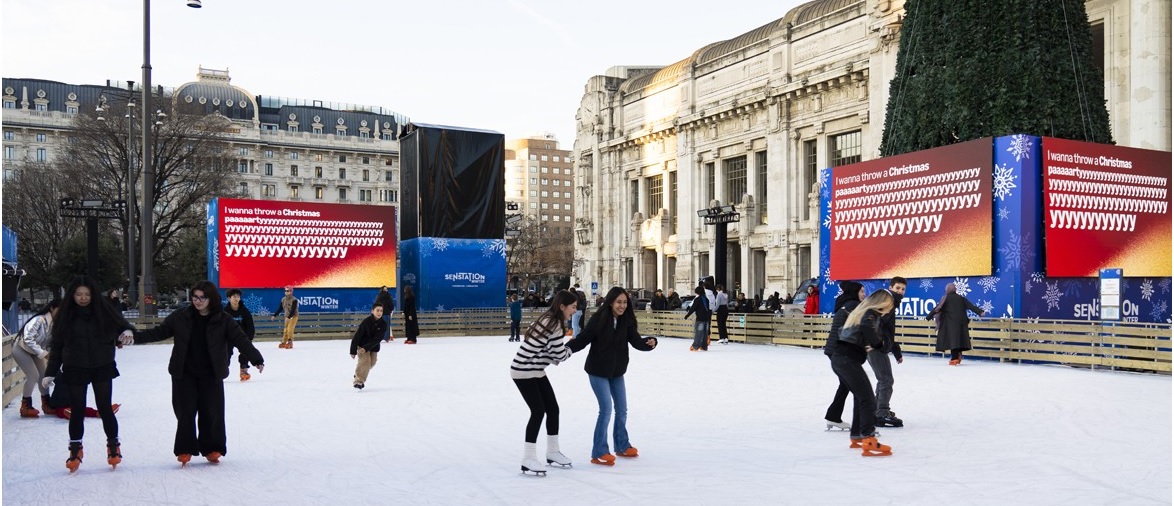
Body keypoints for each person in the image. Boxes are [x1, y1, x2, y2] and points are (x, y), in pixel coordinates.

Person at [133, 280, 265, 466]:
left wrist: (256, 358)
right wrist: (134, 337)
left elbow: (240, 339)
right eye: (195, 297)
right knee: (185, 412)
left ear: (211, 299)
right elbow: (159, 332)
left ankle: (212, 448)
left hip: (211, 373)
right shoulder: (181, 316)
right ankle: (185, 449)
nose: (198, 301)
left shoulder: (223, 319)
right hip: (184, 372)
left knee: (211, 412)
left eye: (203, 297)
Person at [43, 275, 135, 472]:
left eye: (87, 294)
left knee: (105, 408)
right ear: (72, 295)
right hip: (75, 367)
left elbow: (123, 324)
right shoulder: (65, 316)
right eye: (78, 294)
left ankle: (113, 446)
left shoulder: (104, 311)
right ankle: (75, 449)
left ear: (93, 295)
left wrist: (127, 332)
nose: (83, 298)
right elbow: (57, 346)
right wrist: (50, 372)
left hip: (102, 365)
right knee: (77, 409)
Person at [566, 286, 658, 466]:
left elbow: (636, 341)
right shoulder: (599, 319)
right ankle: (599, 451)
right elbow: (583, 339)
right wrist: (567, 349)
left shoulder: (627, 321)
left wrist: (649, 343)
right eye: (619, 302)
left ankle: (622, 445)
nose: (622, 306)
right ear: (610, 302)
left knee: (622, 409)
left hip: (617, 371)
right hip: (597, 370)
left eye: (625, 302)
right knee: (606, 409)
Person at [509, 290, 577, 476]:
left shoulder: (549, 318)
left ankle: (553, 451)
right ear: (562, 306)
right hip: (524, 371)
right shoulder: (554, 324)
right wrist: (572, 347)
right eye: (573, 307)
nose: (574, 310)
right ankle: (528, 458)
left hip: (535, 369)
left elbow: (547, 350)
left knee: (552, 409)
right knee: (538, 411)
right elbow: (558, 355)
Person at [831, 290, 895, 456]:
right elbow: (871, 332)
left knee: (860, 397)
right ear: (883, 303)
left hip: (840, 359)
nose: (890, 309)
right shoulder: (870, 314)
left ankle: (857, 435)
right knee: (868, 399)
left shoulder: (859, 312)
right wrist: (878, 343)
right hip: (847, 360)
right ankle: (868, 438)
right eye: (890, 305)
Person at [822, 281, 864, 431]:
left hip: (834, 349)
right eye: (862, 292)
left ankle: (833, 415)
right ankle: (863, 428)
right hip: (842, 352)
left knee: (845, 385)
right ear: (854, 292)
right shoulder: (853, 306)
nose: (864, 295)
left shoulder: (843, 303)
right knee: (859, 390)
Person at [12, 298, 59, 417]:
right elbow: (27, 338)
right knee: (33, 375)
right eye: (60, 310)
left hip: (35, 351)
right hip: (21, 348)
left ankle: (46, 404)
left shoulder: (55, 325)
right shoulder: (39, 319)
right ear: (52, 308)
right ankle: (25, 406)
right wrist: (44, 354)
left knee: (44, 376)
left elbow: (49, 343)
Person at [870, 277, 907, 427]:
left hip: (876, 345)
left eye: (903, 289)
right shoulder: (888, 302)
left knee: (883, 379)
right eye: (897, 288)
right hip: (875, 346)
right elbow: (876, 324)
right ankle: (881, 412)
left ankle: (877, 409)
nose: (900, 291)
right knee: (886, 380)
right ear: (891, 287)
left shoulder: (890, 302)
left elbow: (887, 331)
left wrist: (895, 349)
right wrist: (879, 342)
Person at [926, 283, 985, 365]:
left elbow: (937, 308)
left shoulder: (946, 298)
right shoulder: (961, 298)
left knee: (953, 341)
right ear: (955, 290)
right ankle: (958, 356)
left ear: (947, 290)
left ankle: (954, 359)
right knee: (960, 340)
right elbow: (971, 306)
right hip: (962, 324)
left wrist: (929, 316)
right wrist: (980, 312)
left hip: (951, 324)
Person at [349, 303, 388, 390]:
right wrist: (353, 350)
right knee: (365, 362)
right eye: (377, 310)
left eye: (381, 311)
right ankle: (358, 381)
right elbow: (357, 335)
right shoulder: (367, 321)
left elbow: (377, 339)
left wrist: (366, 348)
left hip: (373, 347)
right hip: (361, 345)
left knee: (372, 363)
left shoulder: (383, 324)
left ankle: (359, 373)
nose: (379, 312)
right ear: (372, 311)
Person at [223, 289, 256, 382]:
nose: (236, 299)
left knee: (245, 353)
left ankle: (244, 370)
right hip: (229, 337)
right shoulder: (224, 311)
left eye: (238, 296)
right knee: (226, 353)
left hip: (242, 336)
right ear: (229, 298)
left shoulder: (244, 311)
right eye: (234, 297)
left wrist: (249, 338)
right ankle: (222, 370)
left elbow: (250, 325)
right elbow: (220, 325)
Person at [683, 285, 711, 351]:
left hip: (700, 318)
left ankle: (695, 346)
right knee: (705, 332)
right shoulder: (706, 299)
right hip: (706, 318)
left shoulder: (698, 299)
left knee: (699, 332)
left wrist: (687, 315)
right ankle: (704, 346)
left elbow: (693, 308)